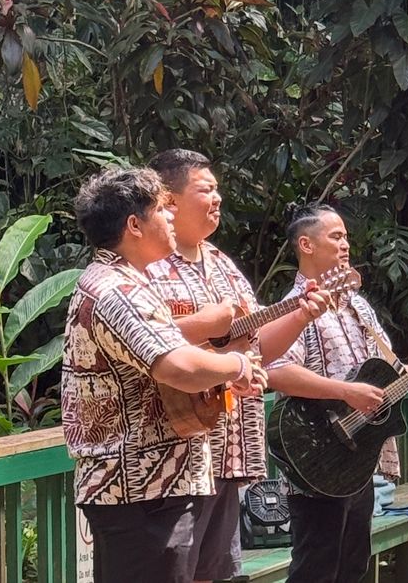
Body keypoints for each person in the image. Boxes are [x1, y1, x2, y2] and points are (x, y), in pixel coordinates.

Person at [61, 166, 268, 583]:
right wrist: (238, 365)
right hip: (141, 492)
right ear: (134, 225)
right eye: (161, 209)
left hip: (152, 489)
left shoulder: (126, 283)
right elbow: (179, 367)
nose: (171, 216)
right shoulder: (116, 291)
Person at [146, 149, 331, 583]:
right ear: (169, 200)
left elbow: (257, 346)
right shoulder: (147, 267)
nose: (217, 199)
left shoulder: (221, 264)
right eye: (205, 190)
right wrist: (208, 332)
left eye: (218, 190)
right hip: (174, 452)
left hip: (226, 447)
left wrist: (300, 316)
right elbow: (140, 337)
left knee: (213, 571)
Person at [267, 203, 408, 583]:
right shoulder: (291, 309)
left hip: (358, 456)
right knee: (316, 567)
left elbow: (390, 377)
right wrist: (345, 391)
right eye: (336, 237)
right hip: (314, 452)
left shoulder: (358, 308)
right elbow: (276, 371)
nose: (345, 245)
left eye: (346, 237)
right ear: (306, 245)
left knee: (354, 566)